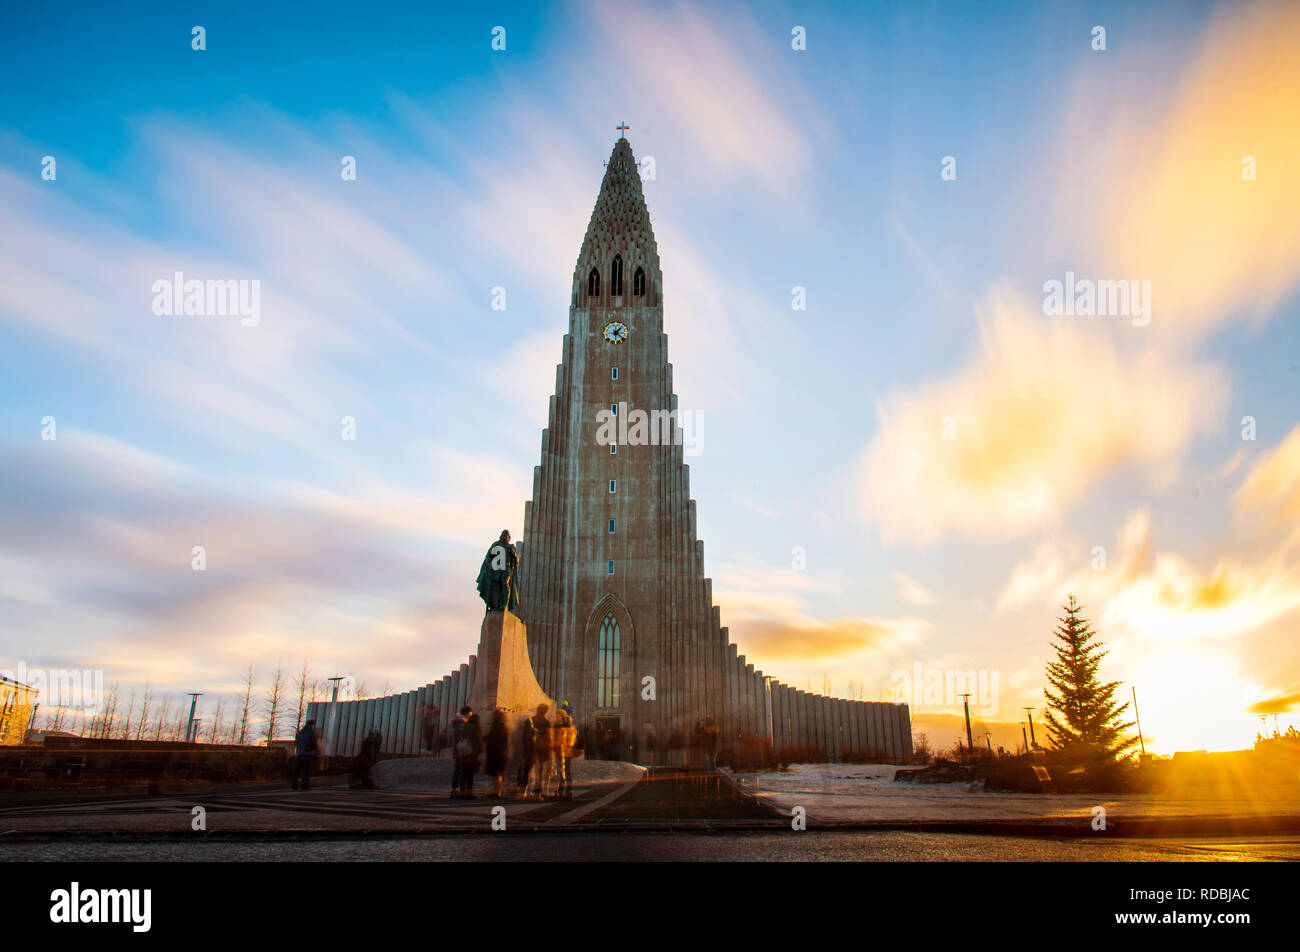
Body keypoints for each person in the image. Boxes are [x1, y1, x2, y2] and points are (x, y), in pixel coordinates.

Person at [525, 703, 552, 799]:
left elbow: (525, 735)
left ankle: (526, 791)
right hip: (541, 749)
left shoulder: (530, 720)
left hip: (531, 748)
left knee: (529, 770)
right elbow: (548, 738)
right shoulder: (546, 723)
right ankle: (537, 793)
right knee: (539, 772)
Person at [553, 702, 577, 800]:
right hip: (568, 750)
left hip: (561, 750)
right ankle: (568, 792)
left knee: (561, 771)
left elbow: (555, 738)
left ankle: (560, 792)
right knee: (567, 771)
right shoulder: (572, 727)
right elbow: (574, 739)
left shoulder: (559, 727)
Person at [484, 709, 509, 799]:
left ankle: (495, 791)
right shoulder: (504, 727)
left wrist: (485, 738)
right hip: (500, 753)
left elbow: (492, 738)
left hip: (494, 753)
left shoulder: (496, 726)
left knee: (494, 773)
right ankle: (496, 790)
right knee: (498, 773)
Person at [457, 711, 483, 798]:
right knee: (470, 774)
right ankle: (469, 792)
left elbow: (460, 738)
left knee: (463, 774)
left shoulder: (465, 727)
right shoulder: (476, 728)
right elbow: (477, 741)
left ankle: (462, 792)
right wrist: (478, 752)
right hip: (471, 753)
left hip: (463, 752)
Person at [448, 706, 471, 797]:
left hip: (459, 750)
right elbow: (461, 737)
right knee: (459, 770)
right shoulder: (461, 723)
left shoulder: (459, 723)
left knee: (458, 770)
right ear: (467, 713)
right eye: (470, 714)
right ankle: (455, 790)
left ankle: (456, 789)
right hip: (461, 751)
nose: (470, 715)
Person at [292, 719, 319, 791]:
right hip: (308, 754)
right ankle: (304, 785)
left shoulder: (300, 732)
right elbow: (314, 744)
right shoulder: (311, 733)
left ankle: (294, 785)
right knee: (306, 771)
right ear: (312, 725)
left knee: (297, 770)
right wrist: (316, 752)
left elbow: (296, 743)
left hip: (300, 753)